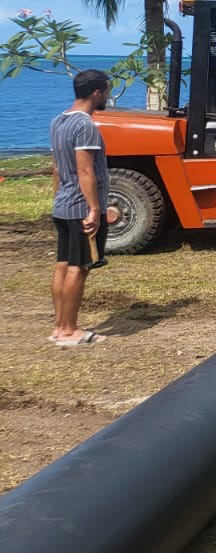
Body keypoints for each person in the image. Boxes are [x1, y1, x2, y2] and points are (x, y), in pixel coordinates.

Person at [48, 69, 112, 346]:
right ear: (97, 93)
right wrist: (95, 210)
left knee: (63, 265)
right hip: (79, 207)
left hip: (63, 204)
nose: (108, 96)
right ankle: (68, 330)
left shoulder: (58, 121)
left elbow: (57, 168)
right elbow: (86, 171)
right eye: (107, 91)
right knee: (79, 267)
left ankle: (59, 326)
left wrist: (58, 196)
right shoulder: (85, 126)